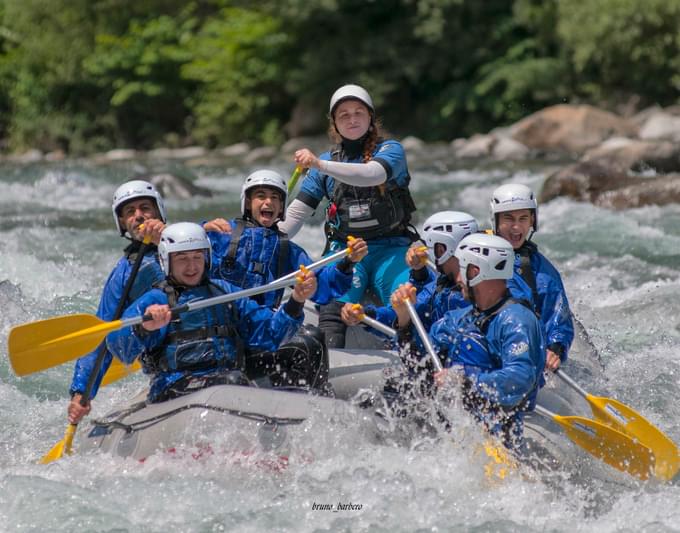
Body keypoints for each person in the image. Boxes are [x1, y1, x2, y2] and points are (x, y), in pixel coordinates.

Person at [106, 223, 320, 403]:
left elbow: (270, 334)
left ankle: (307, 415)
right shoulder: (155, 300)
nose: (192, 267)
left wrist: (296, 301)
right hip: (175, 385)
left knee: (307, 348)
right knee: (232, 382)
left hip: (228, 377)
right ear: (166, 260)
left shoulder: (223, 291)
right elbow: (119, 348)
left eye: (197, 257)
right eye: (182, 259)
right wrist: (144, 327)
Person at [279, 84, 418, 348]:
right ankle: (328, 368)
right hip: (346, 251)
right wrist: (263, 233)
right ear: (334, 123)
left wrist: (319, 165)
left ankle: (412, 366)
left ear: (370, 118)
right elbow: (296, 215)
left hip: (392, 247)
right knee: (332, 305)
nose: (352, 119)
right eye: (344, 115)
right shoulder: (325, 161)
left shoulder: (391, 150)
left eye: (358, 113)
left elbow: (373, 174)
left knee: (406, 299)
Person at [393, 233, 545, 449]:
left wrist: (463, 379)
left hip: (501, 434)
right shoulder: (461, 318)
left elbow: (519, 380)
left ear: (475, 272)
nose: (457, 279)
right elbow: (420, 364)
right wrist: (404, 321)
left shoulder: (516, 320)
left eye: (462, 270)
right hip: (456, 426)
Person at [68, 180, 167, 424]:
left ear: (158, 212)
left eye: (145, 208)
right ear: (122, 222)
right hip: (170, 362)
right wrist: (82, 392)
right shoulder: (124, 274)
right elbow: (102, 332)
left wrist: (165, 239)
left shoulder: (190, 238)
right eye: (130, 212)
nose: (139, 216)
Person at [204, 169, 367, 310]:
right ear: (247, 202)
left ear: (282, 207)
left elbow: (322, 286)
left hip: (260, 325)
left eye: (275, 198)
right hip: (222, 318)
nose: (268, 202)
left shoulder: (285, 249)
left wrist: (347, 263)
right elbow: (182, 255)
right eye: (261, 196)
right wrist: (202, 229)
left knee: (311, 340)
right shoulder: (221, 233)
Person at [340, 211, 478, 337]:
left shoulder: (463, 296)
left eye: (427, 246)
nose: (423, 251)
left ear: (441, 250)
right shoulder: (443, 283)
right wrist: (366, 315)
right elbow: (404, 310)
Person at [490, 183, 574, 371]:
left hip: (522, 352)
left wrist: (555, 349)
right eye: (508, 219)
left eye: (523, 218)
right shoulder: (475, 252)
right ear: (494, 219)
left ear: (532, 221)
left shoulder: (542, 272)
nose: (516, 226)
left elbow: (558, 319)